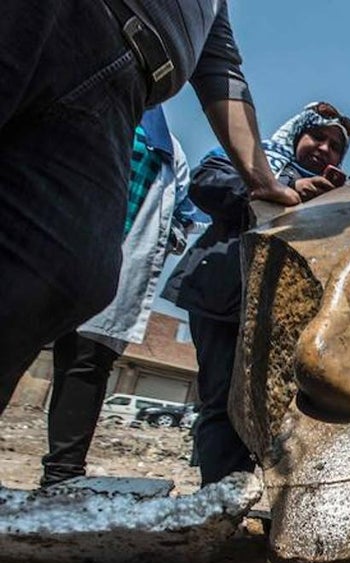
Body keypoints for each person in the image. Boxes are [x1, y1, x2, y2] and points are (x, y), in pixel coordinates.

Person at [0, 1, 299, 417]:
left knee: (69, 273)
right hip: (62, 16)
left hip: (123, 86)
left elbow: (221, 72)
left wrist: (262, 180)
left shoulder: (212, 8)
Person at [163, 102, 350, 485]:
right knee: (221, 399)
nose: (324, 150)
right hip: (222, 298)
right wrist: (279, 190)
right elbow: (206, 184)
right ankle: (220, 495)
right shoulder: (253, 160)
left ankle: (255, 492)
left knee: (271, 407)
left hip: (281, 315)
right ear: (297, 133)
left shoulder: (337, 194)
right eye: (318, 137)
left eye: (335, 146)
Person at [40, 107, 197, 487]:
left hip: (117, 260)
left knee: (86, 364)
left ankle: (61, 478)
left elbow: (182, 213)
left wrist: (171, 233)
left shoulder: (167, 149)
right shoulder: (77, 102)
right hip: (50, 241)